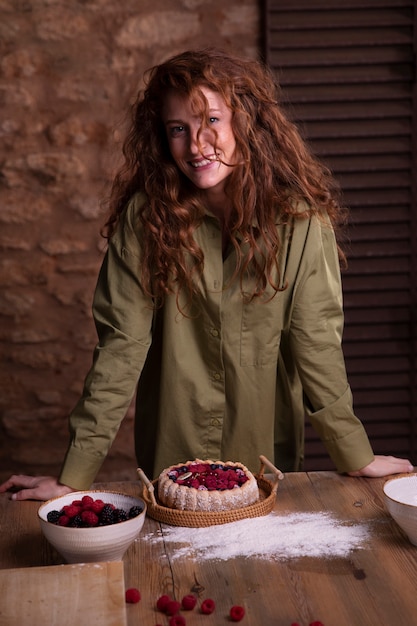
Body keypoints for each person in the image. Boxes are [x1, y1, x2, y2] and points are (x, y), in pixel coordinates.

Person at [0, 48, 413, 502]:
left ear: (246, 122)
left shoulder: (300, 222)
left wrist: (354, 453)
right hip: (170, 460)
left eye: (212, 120)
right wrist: (74, 475)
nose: (196, 145)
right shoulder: (145, 220)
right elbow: (121, 346)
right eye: (179, 129)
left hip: (265, 458)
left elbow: (314, 341)